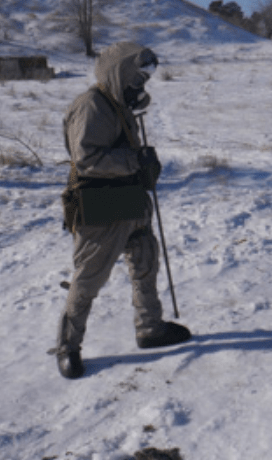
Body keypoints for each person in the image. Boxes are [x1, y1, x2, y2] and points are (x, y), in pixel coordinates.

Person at [55, 41, 190, 379]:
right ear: (121, 72)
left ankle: (150, 327)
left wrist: (144, 167)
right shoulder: (92, 105)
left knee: (145, 259)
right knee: (88, 279)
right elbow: (86, 159)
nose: (143, 83)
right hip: (99, 207)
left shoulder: (119, 103)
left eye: (146, 76)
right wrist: (135, 161)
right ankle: (68, 345)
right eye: (138, 75)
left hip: (129, 202)